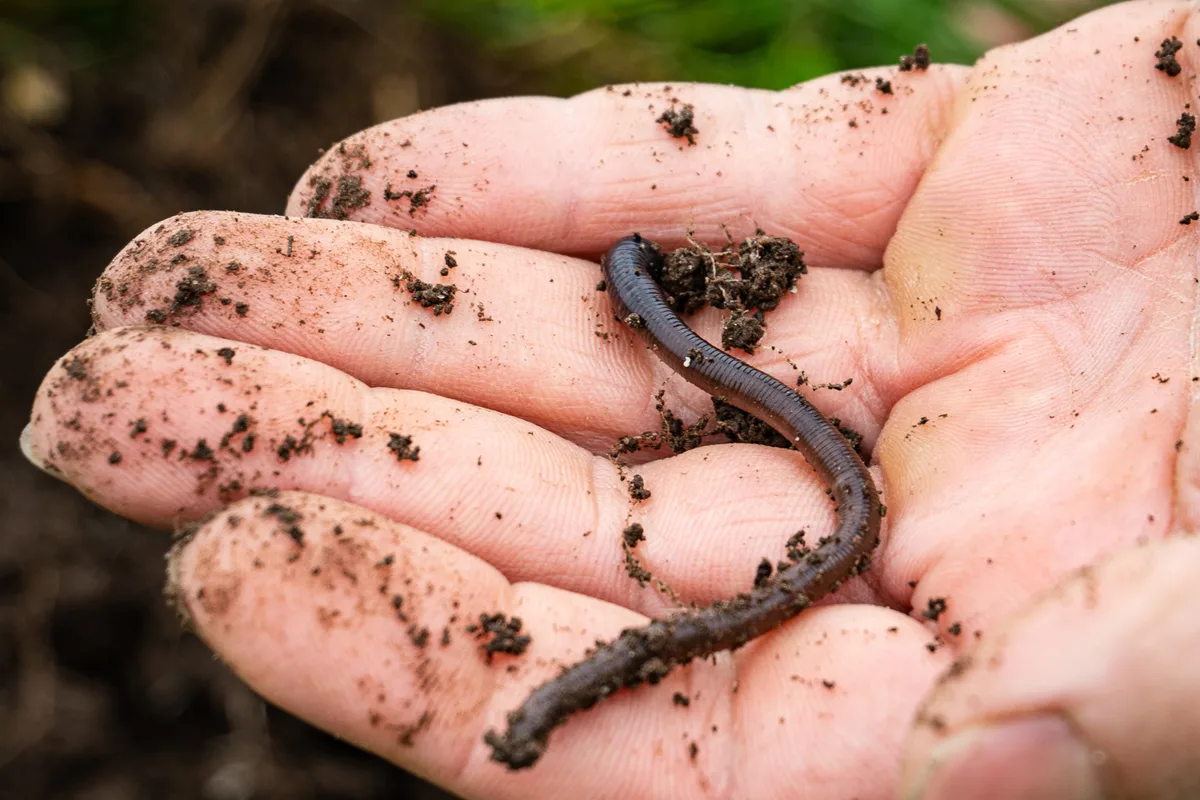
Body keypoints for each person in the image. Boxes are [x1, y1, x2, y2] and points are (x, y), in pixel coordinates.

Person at [20, 1, 1200, 797]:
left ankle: (564, 699)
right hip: (774, 432)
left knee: (822, 496)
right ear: (643, 306)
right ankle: (567, 693)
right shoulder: (684, 336)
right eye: (636, 293)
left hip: (792, 449)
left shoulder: (674, 325)